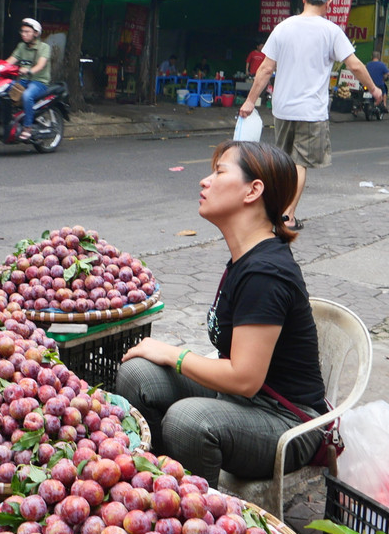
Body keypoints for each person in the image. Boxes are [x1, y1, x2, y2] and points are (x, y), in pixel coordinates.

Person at [115, 141, 327, 484]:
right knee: (138, 374)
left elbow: (245, 379)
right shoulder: (245, 258)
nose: (204, 181)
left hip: (288, 421)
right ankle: (152, 480)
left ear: (252, 190)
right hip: (242, 401)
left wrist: (174, 353)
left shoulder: (265, 273)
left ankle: (191, 513)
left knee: (188, 421)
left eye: (219, 172)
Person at [239, 0, 382, 231]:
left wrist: (250, 102)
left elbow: (265, 69)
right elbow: (355, 65)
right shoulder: (331, 31)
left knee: (282, 161)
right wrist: (373, 89)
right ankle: (288, 217)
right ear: (329, 3)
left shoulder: (283, 27)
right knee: (299, 163)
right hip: (311, 112)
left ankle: (272, 210)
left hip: (282, 108)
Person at [3, 17, 51, 141]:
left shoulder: (44, 47)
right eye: (22, 32)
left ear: (36, 33)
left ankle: (27, 127)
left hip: (39, 82)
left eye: (27, 32)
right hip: (24, 80)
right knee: (4, 88)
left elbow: (41, 65)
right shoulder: (21, 46)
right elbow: (9, 61)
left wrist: (29, 70)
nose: (24, 34)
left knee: (27, 96)